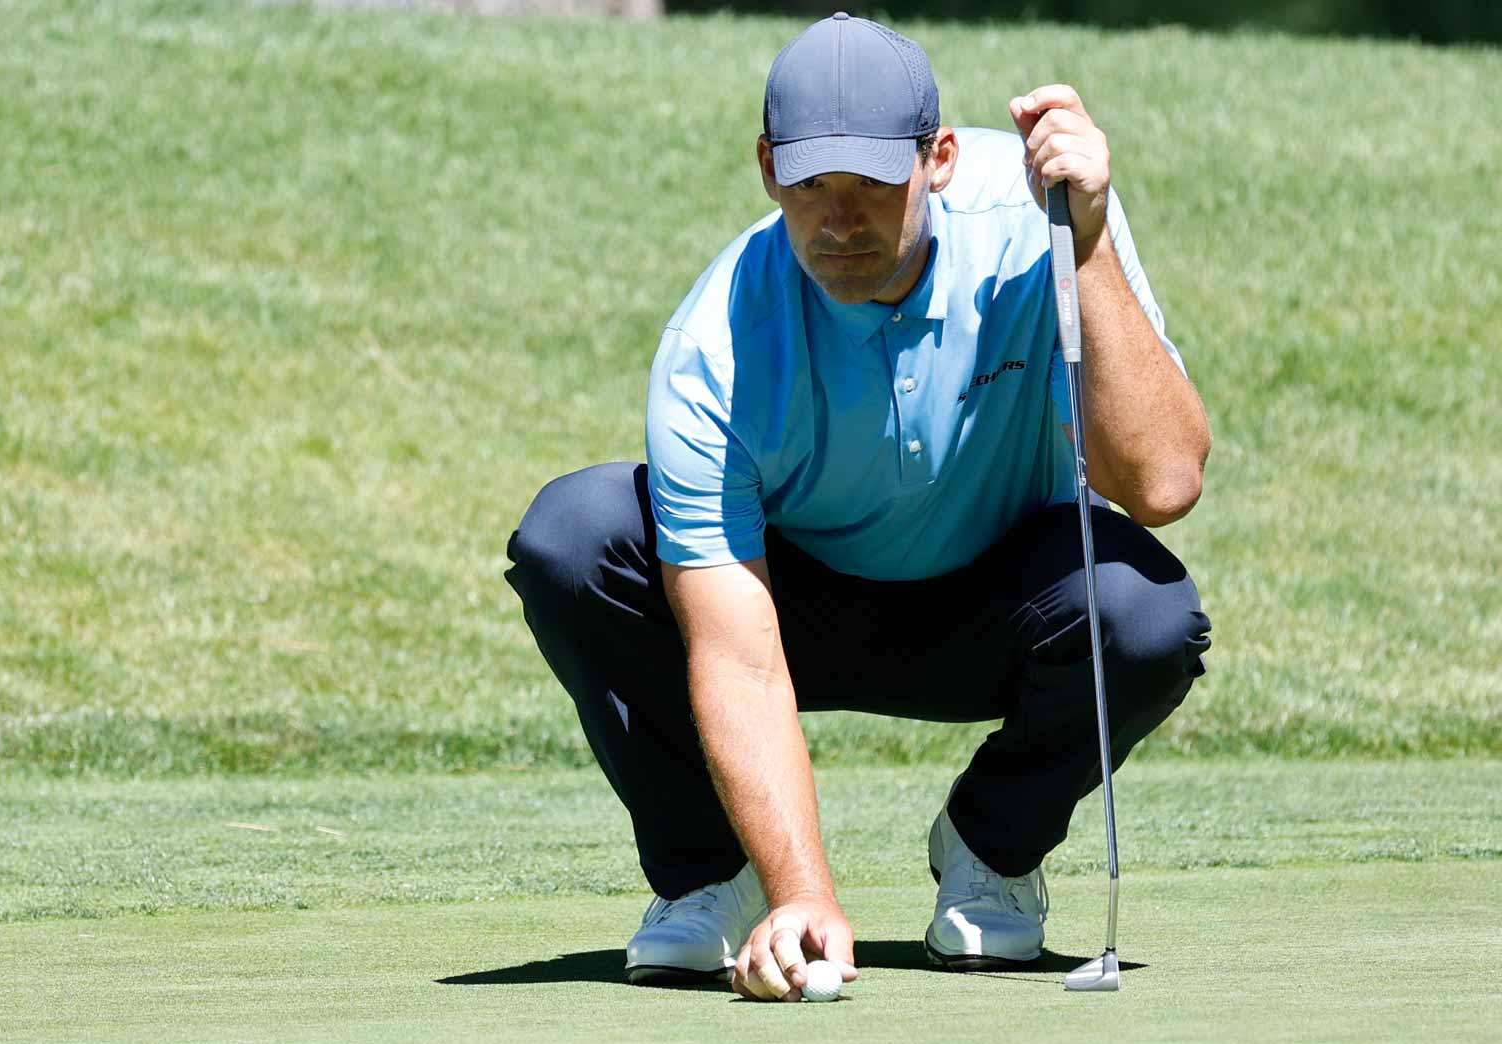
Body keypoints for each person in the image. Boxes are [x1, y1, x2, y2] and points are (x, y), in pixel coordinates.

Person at [504, 13, 1212, 1002]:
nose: (839, 218)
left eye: (871, 184)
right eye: (808, 186)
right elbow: (738, 655)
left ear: (939, 158)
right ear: (765, 171)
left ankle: (991, 844)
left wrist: (1084, 242)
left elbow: (1163, 484)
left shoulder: (1040, 215)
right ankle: (714, 877)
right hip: (794, 609)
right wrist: (805, 896)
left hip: (996, 597)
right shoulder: (714, 343)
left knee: (1143, 613)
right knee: (574, 535)